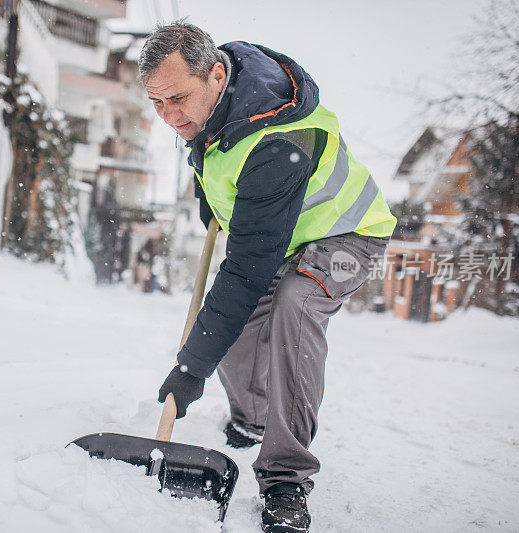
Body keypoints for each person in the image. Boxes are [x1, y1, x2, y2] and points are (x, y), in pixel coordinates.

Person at [139, 22, 397, 533]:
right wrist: (207, 197)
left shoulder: (279, 138)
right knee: (235, 341)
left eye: (178, 99)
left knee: (293, 308)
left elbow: (248, 267)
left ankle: (286, 477)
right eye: (157, 103)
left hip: (350, 237)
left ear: (215, 75)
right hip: (287, 237)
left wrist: (191, 369)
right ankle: (253, 417)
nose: (169, 116)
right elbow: (218, 162)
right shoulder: (217, 102)